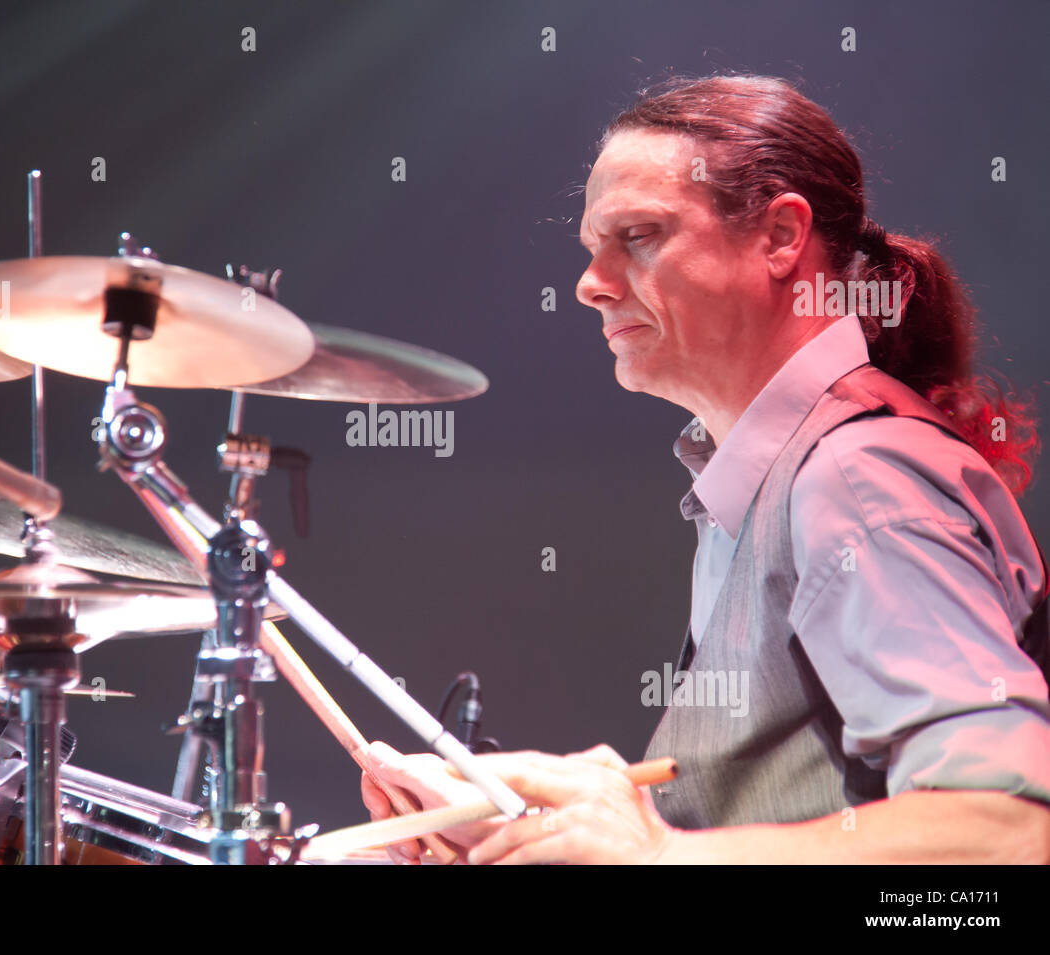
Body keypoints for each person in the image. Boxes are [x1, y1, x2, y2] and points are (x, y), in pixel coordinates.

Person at [359, 74, 1050, 864]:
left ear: (783, 237)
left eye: (640, 235)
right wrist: (576, 804)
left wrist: (655, 855)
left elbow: (1007, 831)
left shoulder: (855, 475)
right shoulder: (771, 473)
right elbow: (794, 796)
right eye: (593, 246)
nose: (591, 283)